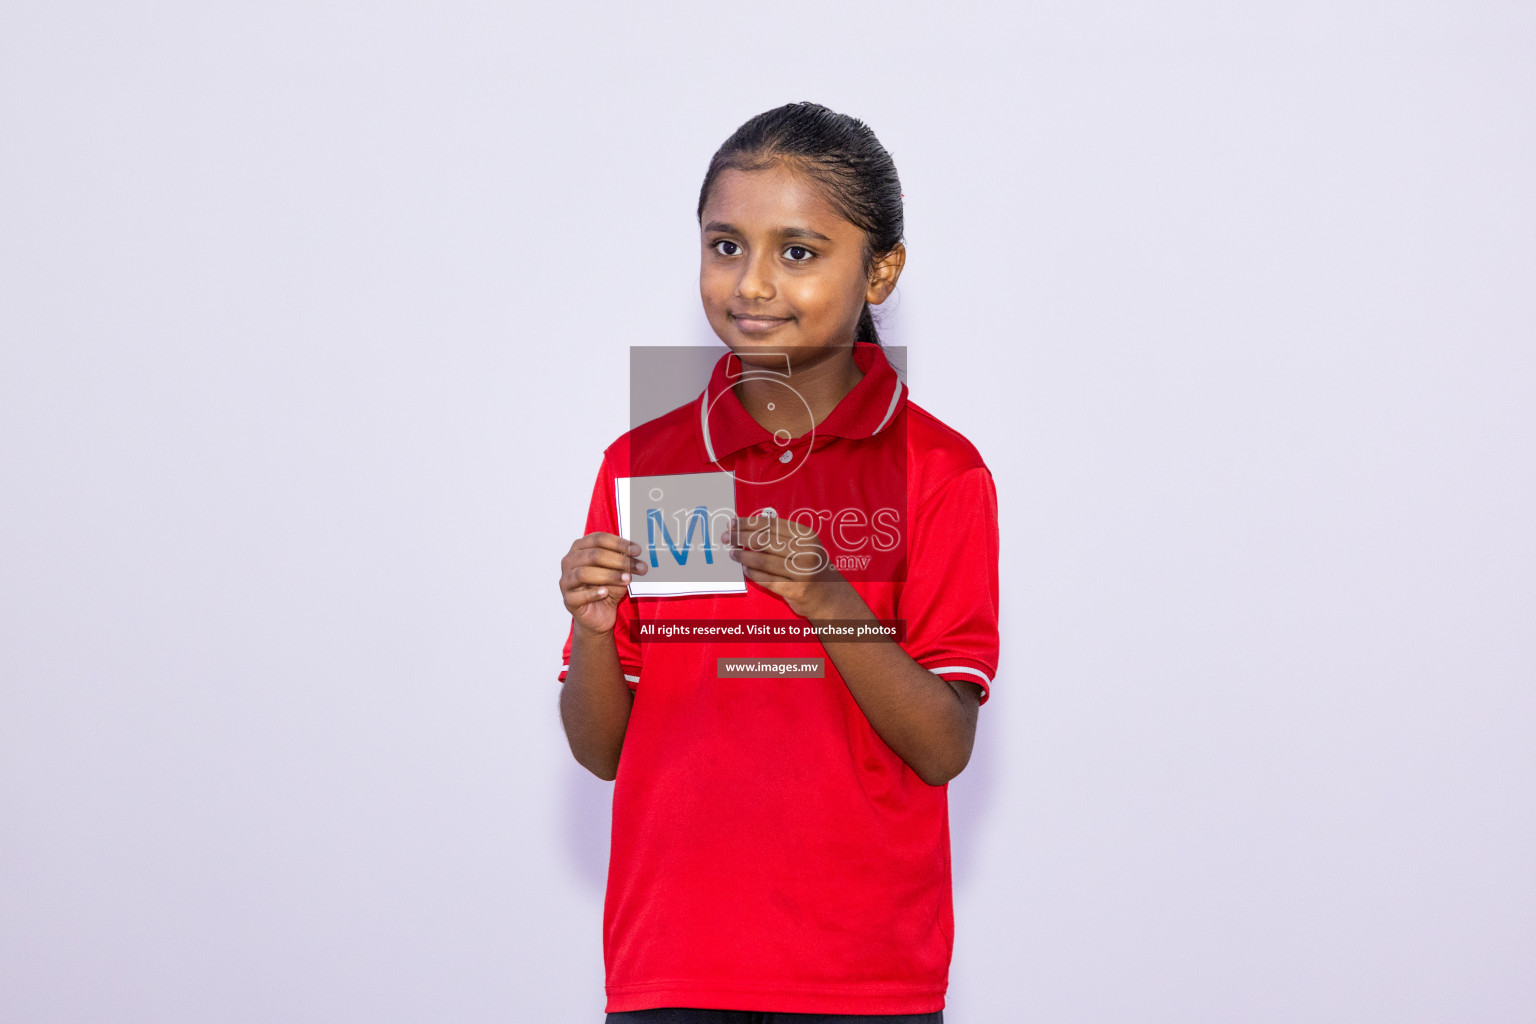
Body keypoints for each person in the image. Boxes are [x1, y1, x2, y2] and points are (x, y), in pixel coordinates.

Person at [557, 102, 1000, 1024]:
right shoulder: (649, 463)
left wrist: (824, 596)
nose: (752, 282)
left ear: (880, 270)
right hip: (671, 966)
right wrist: (593, 630)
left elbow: (943, 744)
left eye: (798, 251)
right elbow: (601, 750)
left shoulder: (938, 471)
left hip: (865, 977)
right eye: (726, 246)